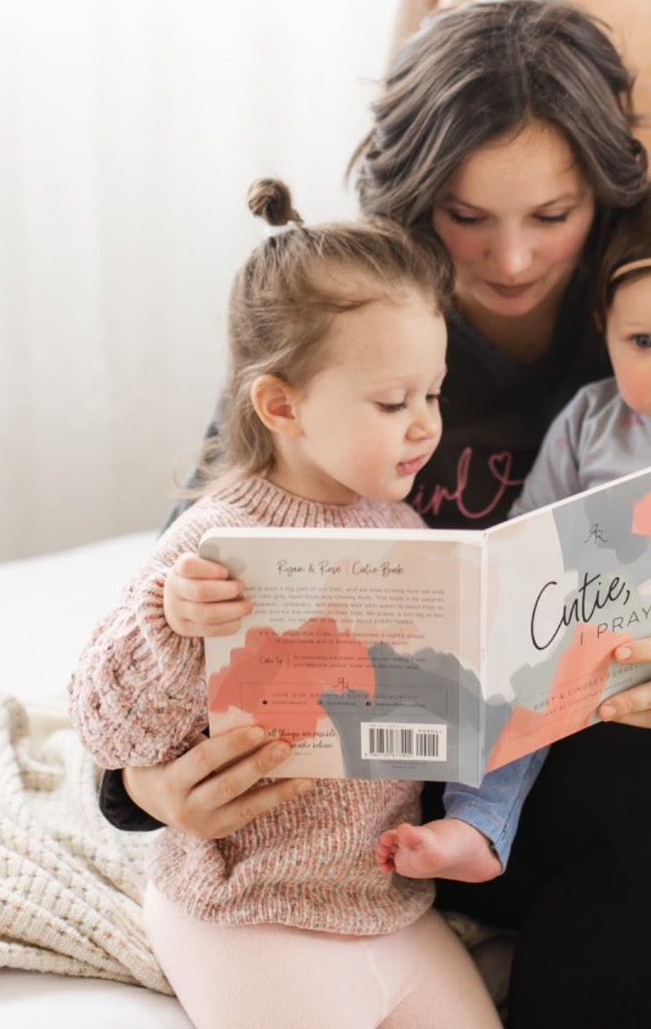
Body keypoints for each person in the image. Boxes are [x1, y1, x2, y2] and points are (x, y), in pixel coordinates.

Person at [97, 0, 651, 1028]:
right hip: (412, 752)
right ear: (414, 200)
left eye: (553, 217)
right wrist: (137, 786)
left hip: (645, 678)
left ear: (606, 195)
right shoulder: (364, 291)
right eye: (466, 218)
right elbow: (203, 539)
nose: (513, 261)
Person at [378, 177, 651, 1029]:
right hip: (594, 648)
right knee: (514, 706)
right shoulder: (590, 421)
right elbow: (533, 523)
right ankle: (479, 829)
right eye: (645, 340)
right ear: (606, 334)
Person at [69, 178, 504, 1029]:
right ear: (281, 406)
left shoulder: (404, 525)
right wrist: (171, 619)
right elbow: (103, 722)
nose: (425, 425)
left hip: (383, 899)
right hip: (243, 904)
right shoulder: (217, 539)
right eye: (393, 401)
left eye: (434, 395)